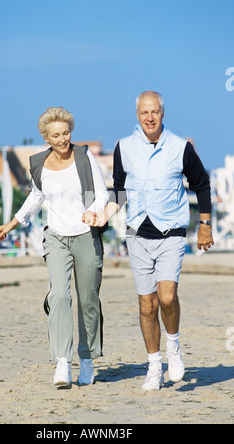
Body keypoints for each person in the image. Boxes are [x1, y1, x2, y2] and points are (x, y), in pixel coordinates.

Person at [88, 91, 214, 391]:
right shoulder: (124, 147)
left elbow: (202, 184)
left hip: (171, 233)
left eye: (154, 111)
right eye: (144, 112)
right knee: (147, 305)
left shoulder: (181, 147)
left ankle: (174, 347)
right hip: (137, 235)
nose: (149, 117)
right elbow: (120, 190)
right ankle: (154, 366)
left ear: (162, 113)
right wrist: (102, 215)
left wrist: (205, 225)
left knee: (167, 296)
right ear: (137, 115)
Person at [0, 107, 108, 388]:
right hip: (56, 236)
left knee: (88, 300)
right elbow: (36, 197)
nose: (62, 139)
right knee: (59, 295)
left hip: (86, 235)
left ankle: (87, 360)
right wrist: (11, 223)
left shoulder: (84, 157)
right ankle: (61, 362)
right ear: (47, 137)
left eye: (66, 133)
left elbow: (104, 193)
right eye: (56, 135)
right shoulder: (39, 164)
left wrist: (93, 211)